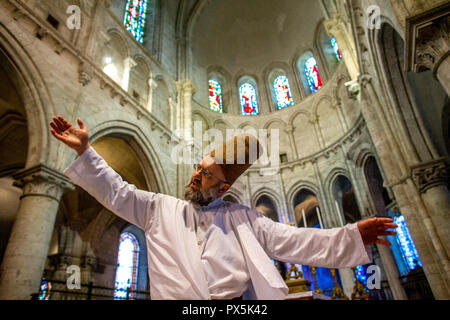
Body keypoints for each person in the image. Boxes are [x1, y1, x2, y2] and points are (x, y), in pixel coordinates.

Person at [49, 115, 397, 300]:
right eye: (198, 168)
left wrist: (352, 235)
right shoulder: (160, 209)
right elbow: (118, 192)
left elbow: (296, 241)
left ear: (224, 186)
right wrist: (86, 152)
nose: (196, 175)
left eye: (206, 173)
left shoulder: (244, 220)